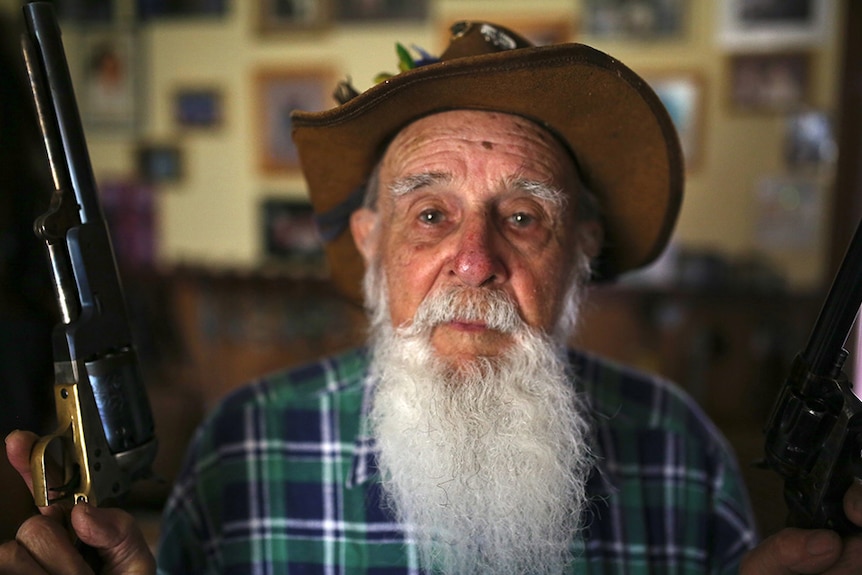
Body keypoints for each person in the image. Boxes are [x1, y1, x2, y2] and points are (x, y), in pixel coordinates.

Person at [4, 19, 862, 575]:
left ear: (580, 258)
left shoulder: (681, 446)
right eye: (430, 213)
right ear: (373, 247)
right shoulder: (243, 443)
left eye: (523, 216)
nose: (474, 259)